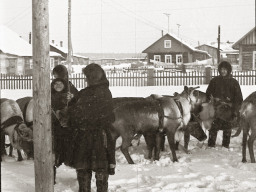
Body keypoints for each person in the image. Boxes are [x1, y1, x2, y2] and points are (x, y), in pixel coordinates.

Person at [67, 63, 116, 192]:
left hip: (87, 137)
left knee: (84, 171)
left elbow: (72, 113)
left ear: (91, 78)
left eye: (87, 77)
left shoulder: (85, 94)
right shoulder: (106, 92)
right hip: (100, 137)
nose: (85, 80)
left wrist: (74, 114)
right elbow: (110, 117)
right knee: (101, 171)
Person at [51, 64, 78, 184]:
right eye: (55, 76)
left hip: (68, 127)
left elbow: (78, 102)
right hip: (53, 127)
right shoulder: (52, 87)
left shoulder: (70, 88)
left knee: (73, 150)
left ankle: (78, 173)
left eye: (60, 75)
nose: (57, 78)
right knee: (53, 152)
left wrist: (72, 99)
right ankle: (51, 176)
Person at [206, 61, 243, 148]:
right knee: (213, 127)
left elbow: (239, 98)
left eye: (225, 69)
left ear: (228, 70)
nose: (223, 71)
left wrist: (232, 104)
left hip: (228, 110)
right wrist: (213, 99)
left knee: (227, 128)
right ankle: (211, 145)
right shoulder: (214, 81)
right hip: (215, 109)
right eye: (221, 69)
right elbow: (208, 94)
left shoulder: (234, 82)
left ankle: (225, 146)